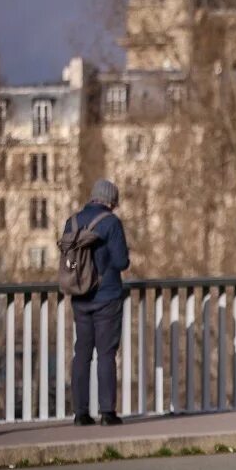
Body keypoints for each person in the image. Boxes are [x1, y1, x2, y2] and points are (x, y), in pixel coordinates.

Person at [66, 179, 130, 426]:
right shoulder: (111, 223)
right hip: (107, 297)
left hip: (80, 297)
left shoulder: (71, 222)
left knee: (81, 353)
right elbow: (121, 262)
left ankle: (80, 414)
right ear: (111, 201)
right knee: (106, 354)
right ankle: (107, 413)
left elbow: (69, 262)